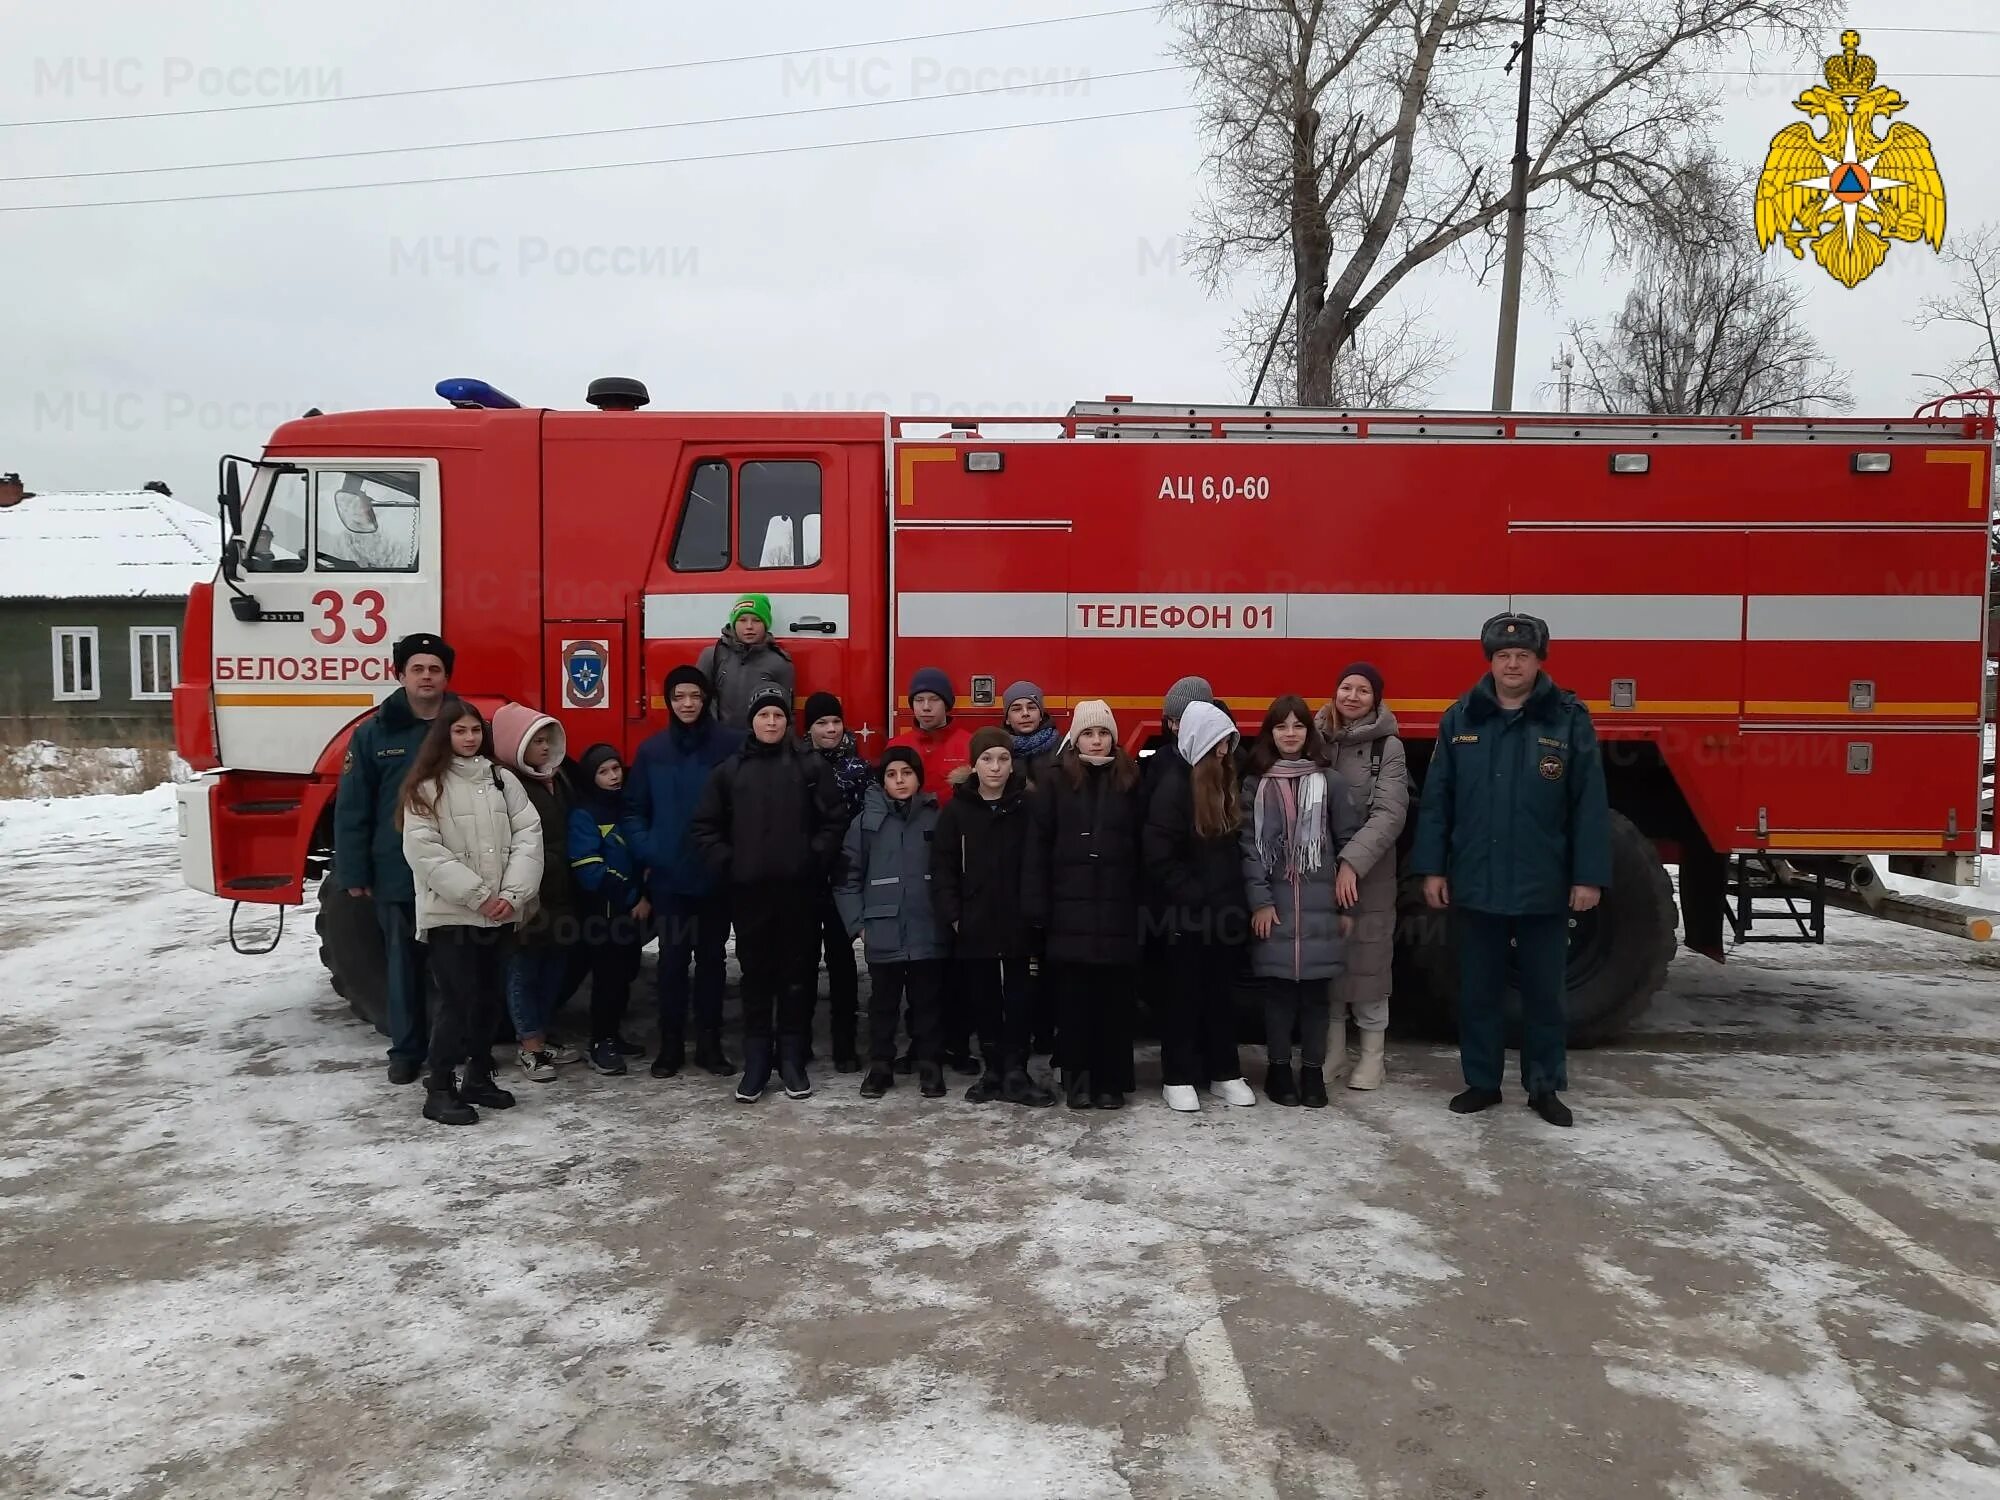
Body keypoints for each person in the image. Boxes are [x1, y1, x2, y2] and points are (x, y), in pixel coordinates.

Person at [1410, 613, 1611, 1128]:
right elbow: (1438, 802)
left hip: (1543, 884)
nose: (1513, 664)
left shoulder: (1567, 719)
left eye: (1523, 656)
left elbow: (1589, 804)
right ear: (1491, 661)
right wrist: (1432, 869)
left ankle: (1544, 1086)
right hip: (1476, 882)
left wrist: (1587, 877)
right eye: (1503, 656)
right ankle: (1482, 1082)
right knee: (1477, 990)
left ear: (1539, 661)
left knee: (1545, 993)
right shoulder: (1461, 720)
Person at [692, 683, 848, 1103]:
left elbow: (834, 823)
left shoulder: (810, 767)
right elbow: (706, 828)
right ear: (752, 721)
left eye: (779, 715)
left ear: (788, 721)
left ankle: (792, 1059)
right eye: (764, 715)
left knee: (797, 976)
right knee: (756, 977)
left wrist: (812, 859)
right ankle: (757, 1060)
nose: (772, 722)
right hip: (750, 896)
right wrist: (730, 864)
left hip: (799, 894)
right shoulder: (730, 771)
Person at [398, 698, 544, 1126]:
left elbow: (528, 834)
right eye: (459, 731)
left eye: (475, 731)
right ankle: (439, 1087)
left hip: (499, 914)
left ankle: (478, 1078)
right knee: (457, 1002)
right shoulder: (426, 786)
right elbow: (424, 851)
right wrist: (477, 894)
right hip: (452, 915)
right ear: (444, 734)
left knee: (488, 1001)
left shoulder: (501, 780)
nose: (468, 738)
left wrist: (512, 895)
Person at [333, 632, 455, 1085]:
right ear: (399, 674)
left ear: (446, 677)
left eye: (435, 669)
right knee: (402, 967)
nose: (427, 676)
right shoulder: (371, 734)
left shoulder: (464, 726)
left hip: (455, 873)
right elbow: (352, 809)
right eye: (418, 668)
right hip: (396, 872)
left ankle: (452, 1045)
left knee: (456, 969)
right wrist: (354, 871)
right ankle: (406, 1052)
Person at [1240, 696, 1362, 1108]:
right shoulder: (1254, 784)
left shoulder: (1331, 782)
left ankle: (1312, 1073)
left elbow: (1348, 847)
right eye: (1281, 726)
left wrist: (1346, 908)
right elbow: (1250, 849)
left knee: (1314, 997)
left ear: (1309, 732)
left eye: (1297, 726)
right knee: (1276, 996)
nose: (1289, 734)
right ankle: (1277, 1071)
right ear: (1269, 733)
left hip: (1320, 907)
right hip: (1274, 907)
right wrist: (1259, 901)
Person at [1023, 699, 1144, 1111]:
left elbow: (1142, 846)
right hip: (1068, 911)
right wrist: (1037, 906)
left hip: (1116, 909)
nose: (1096, 741)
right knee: (1073, 1003)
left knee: (1114, 1003)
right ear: (1075, 738)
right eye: (1088, 733)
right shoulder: (1054, 780)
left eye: (1103, 733)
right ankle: (1078, 1079)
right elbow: (1037, 847)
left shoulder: (1131, 779)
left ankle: (1110, 1081)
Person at [625, 665, 741, 1080]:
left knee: (712, 964)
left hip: (715, 877)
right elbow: (635, 810)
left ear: (706, 698)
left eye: (694, 695)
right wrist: (651, 849)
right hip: (671, 880)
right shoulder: (653, 751)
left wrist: (731, 854)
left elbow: (742, 805)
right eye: (679, 697)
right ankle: (670, 1046)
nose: (687, 704)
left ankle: (710, 1045)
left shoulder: (731, 746)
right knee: (671, 964)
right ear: (669, 702)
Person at [1143, 702, 1257, 1113]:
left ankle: (1224, 1070)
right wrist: (1194, 896)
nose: (1226, 752)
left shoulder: (1225, 785)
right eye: (1219, 745)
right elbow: (1159, 856)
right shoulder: (1174, 787)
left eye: (1228, 743)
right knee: (1182, 997)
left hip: (1222, 916)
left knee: (1221, 997)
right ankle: (1178, 1074)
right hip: (1184, 915)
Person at [934, 727, 1054, 1107]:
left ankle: (1016, 1069)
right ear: (974, 764)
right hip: (976, 922)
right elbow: (943, 868)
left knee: (1020, 997)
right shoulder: (956, 811)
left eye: (1002, 758)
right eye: (987, 759)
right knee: (983, 997)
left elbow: (1043, 861)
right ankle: (993, 1069)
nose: (995, 767)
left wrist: (1039, 909)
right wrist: (954, 915)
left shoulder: (1030, 807)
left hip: (1020, 920)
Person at [1315, 664, 1410, 1091]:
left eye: (1363, 691)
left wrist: (1351, 862)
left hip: (1368, 874)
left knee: (1369, 965)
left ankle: (1373, 1058)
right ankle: (1333, 1053)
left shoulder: (1388, 747)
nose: (1352, 696)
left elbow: (1390, 812)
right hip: (1319, 870)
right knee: (1328, 964)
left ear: (1376, 700)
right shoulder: (1316, 738)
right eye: (1346, 688)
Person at [837, 746, 949, 1099]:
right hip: (882, 929)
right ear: (882, 781)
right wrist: (859, 924)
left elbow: (950, 873)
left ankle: (929, 1063)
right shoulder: (865, 823)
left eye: (907, 773)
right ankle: (881, 1065)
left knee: (928, 1002)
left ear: (919, 777)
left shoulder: (936, 819)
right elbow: (846, 878)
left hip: (927, 927)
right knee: (883, 1004)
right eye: (891, 774)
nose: (900, 780)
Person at [493, 705, 579, 1083]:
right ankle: (529, 1046)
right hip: (528, 896)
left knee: (553, 968)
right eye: (535, 741)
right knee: (523, 970)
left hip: (560, 893)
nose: (544, 748)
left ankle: (543, 1035)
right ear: (516, 744)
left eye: (548, 740)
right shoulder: (506, 785)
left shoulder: (554, 779)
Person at [568, 744, 649, 1076]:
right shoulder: (584, 814)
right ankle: (600, 1042)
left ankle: (613, 1034)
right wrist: (632, 897)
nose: (613, 776)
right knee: (607, 978)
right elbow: (590, 870)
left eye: (616, 768)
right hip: (604, 913)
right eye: (604, 771)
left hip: (630, 912)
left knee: (626, 973)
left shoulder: (626, 809)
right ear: (591, 777)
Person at [803, 690, 871, 1073]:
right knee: (803, 962)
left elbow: (865, 823)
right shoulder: (795, 765)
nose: (830, 729)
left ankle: (845, 1044)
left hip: (844, 878)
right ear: (809, 728)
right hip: (807, 877)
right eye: (821, 723)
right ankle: (802, 1042)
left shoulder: (858, 769)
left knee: (844, 964)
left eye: (835, 722)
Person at [696, 593, 795, 730]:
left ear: (766, 625)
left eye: (756, 620)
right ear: (733, 623)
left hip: (758, 746)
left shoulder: (780, 663)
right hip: (719, 741)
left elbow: (787, 715)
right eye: (742, 620)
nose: (749, 626)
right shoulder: (712, 655)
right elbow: (697, 701)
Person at [886, 666, 975, 788]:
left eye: (934, 699)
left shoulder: (970, 744)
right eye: (919, 700)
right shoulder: (896, 746)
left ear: (947, 704)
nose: (926, 707)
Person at [1001, 681, 1061, 786]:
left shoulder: (1061, 748)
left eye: (1031, 707)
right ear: (1007, 719)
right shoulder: (998, 749)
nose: (1025, 713)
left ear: (1041, 715)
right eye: (1017, 709)